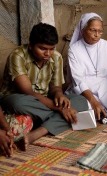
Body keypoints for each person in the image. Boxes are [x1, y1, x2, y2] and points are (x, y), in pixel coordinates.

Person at [0, 22, 89, 151]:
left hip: (43, 101)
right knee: (18, 102)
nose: (48, 53)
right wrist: (60, 109)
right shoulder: (18, 55)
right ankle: (56, 121)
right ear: (30, 46)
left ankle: (37, 133)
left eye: (51, 48)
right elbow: (28, 92)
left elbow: (55, 88)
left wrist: (59, 95)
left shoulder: (56, 57)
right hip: (18, 98)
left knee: (81, 101)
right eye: (42, 48)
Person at [65, 13, 107, 119]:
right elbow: (79, 80)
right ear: (83, 30)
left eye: (100, 31)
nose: (97, 34)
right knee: (84, 108)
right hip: (84, 89)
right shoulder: (74, 50)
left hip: (104, 84)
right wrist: (93, 101)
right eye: (93, 30)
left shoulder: (106, 45)